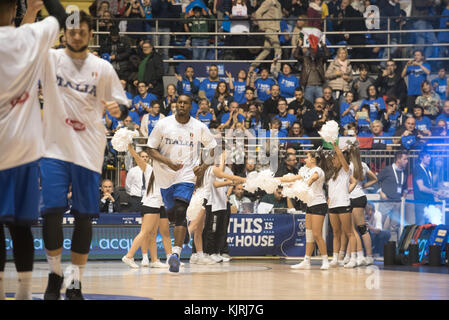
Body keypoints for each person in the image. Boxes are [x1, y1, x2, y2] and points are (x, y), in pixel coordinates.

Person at [37, 9, 129, 300]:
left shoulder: (102, 67)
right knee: (51, 211)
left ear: (90, 34)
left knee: (84, 217)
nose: (76, 35)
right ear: (64, 34)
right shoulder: (50, 59)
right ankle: (55, 274)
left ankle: (75, 281)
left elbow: (122, 102)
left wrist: (119, 109)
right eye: (71, 31)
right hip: (53, 147)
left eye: (82, 31)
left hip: (88, 150)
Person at [0, 0, 63, 301]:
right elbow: (65, 17)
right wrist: (40, 6)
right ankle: (24, 294)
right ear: (13, 9)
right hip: (22, 151)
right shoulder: (27, 38)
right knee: (20, 226)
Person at [147, 94, 217, 272]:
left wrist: (203, 166)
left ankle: (175, 255)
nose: (182, 105)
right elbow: (150, 149)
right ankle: (181, 229)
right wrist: (167, 162)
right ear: (175, 105)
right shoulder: (163, 124)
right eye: (180, 102)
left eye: (186, 103)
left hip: (186, 174)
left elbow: (214, 148)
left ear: (191, 106)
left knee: (180, 210)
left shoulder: (199, 126)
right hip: (165, 175)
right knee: (172, 214)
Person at [122, 144, 172, 269]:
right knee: (145, 232)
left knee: (152, 234)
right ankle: (129, 256)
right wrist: (131, 149)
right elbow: (138, 159)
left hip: (158, 204)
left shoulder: (166, 172)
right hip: (151, 204)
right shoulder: (149, 169)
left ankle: (154, 260)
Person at [280, 152, 329, 270]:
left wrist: (302, 187)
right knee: (309, 234)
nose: (304, 159)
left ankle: (325, 260)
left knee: (317, 234)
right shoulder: (306, 171)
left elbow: (314, 178)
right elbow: (292, 178)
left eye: (307, 157)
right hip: (310, 204)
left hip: (318, 204)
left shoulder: (318, 170)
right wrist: (275, 180)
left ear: (313, 160)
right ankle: (306, 260)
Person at [325, 142, 357, 268]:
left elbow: (341, 157)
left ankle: (353, 258)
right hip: (332, 205)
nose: (333, 161)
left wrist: (335, 146)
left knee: (349, 232)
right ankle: (335, 258)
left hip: (344, 204)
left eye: (335, 158)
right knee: (336, 232)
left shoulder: (346, 170)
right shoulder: (332, 174)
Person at [347, 144, 378, 266]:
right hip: (361, 196)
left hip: (352, 197)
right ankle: (364, 256)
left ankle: (360, 257)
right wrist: (363, 186)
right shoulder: (363, 165)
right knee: (360, 229)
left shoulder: (348, 166)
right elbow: (375, 178)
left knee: (356, 229)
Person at [377, 151, 408, 242]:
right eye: (405, 159)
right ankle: (378, 248)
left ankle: (393, 248)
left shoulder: (404, 173)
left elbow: (405, 188)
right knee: (379, 224)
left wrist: (404, 197)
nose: (407, 161)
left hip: (397, 203)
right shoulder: (387, 170)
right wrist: (380, 192)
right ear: (398, 160)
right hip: (385, 202)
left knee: (394, 227)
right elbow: (376, 180)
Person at [249, 0, 283, 72]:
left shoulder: (278, 3)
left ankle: (252, 66)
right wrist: (262, 25)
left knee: (266, 50)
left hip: (275, 30)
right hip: (269, 29)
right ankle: (277, 70)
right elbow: (258, 13)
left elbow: (279, 17)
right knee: (278, 49)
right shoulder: (268, 2)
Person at [293, 37, 329, 104]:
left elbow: (327, 55)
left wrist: (323, 44)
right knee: (309, 105)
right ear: (309, 50)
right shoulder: (305, 59)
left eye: (315, 49)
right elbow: (295, 55)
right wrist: (299, 45)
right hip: (308, 86)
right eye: (312, 49)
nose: (313, 51)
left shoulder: (320, 59)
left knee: (321, 104)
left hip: (319, 86)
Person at [413, 150, 438, 225]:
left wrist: (437, 193)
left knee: (430, 225)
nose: (429, 158)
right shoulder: (418, 168)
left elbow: (430, 186)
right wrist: (434, 192)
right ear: (421, 158)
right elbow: (421, 187)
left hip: (430, 201)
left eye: (430, 156)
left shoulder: (428, 170)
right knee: (420, 225)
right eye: (427, 156)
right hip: (421, 202)